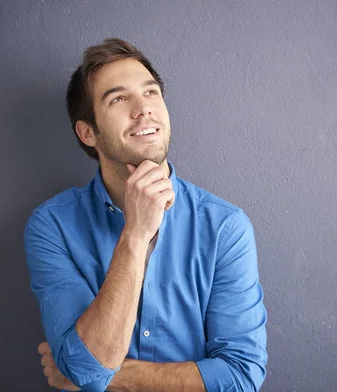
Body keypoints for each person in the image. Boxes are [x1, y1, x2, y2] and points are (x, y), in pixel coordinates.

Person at [24, 38, 267, 392]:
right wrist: (135, 236)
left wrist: (109, 376)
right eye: (119, 99)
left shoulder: (225, 228)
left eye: (151, 93)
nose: (143, 109)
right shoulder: (52, 227)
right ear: (87, 132)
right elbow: (85, 366)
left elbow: (241, 377)